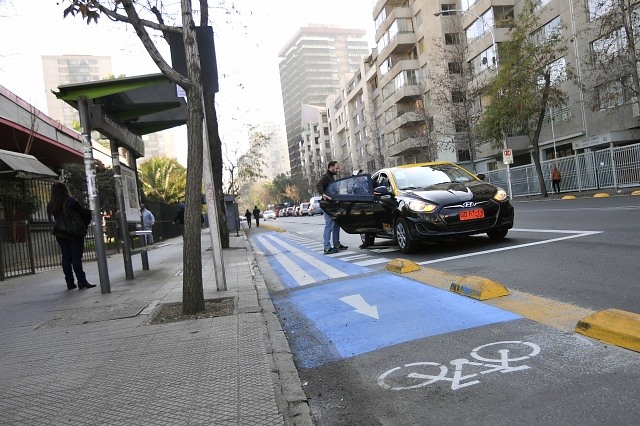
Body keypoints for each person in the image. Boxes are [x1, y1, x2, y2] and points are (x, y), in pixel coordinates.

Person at [47, 182, 95, 290]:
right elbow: (83, 214)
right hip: (74, 233)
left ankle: (69, 282)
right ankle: (82, 281)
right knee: (76, 257)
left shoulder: (51, 204)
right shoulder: (71, 201)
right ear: (65, 190)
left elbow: (52, 219)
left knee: (66, 257)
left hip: (60, 233)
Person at [317, 160, 348, 254]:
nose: (338, 170)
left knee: (336, 225)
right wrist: (323, 194)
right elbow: (319, 184)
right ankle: (326, 247)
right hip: (327, 206)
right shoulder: (326, 177)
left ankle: (337, 244)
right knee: (329, 226)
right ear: (331, 167)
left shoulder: (331, 178)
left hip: (333, 205)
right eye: (336, 168)